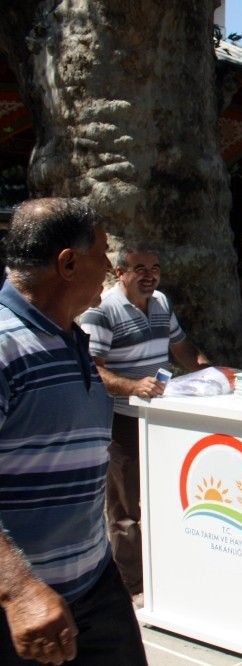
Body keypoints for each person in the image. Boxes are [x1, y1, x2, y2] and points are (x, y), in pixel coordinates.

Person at [0, 198, 147, 664]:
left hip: (94, 584)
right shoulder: (4, 343)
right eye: (101, 254)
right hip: (22, 606)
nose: (108, 267)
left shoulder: (70, 335)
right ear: (67, 264)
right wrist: (17, 590)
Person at [79, 244, 212, 599]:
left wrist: (212, 371)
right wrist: (133, 386)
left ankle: (162, 575)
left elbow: (182, 348)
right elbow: (92, 370)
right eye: (140, 268)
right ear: (120, 273)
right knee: (124, 508)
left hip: (162, 419)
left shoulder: (161, 303)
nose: (149, 275)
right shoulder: (102, 311)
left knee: (166, 497)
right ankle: (131, 586)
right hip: (121, 420)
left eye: (155, 268)